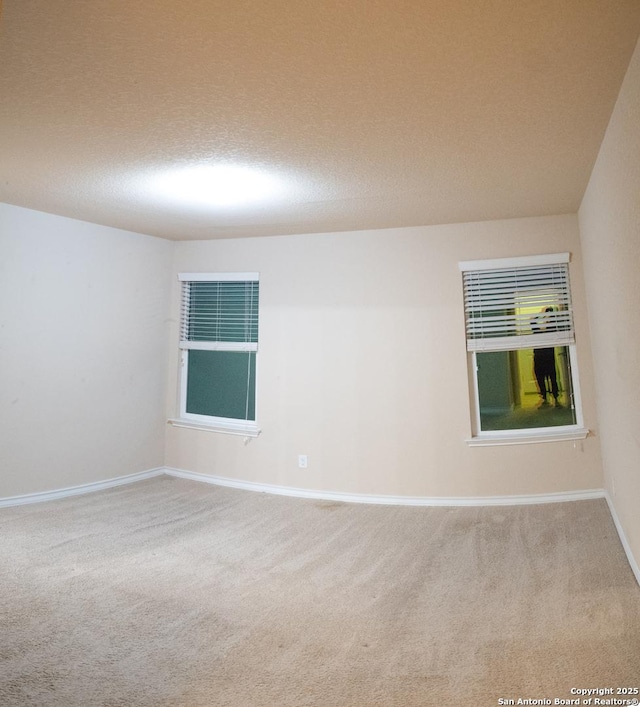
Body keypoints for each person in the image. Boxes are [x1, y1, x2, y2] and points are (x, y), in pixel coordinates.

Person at [531, 307, 561, 407]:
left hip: (547, 356)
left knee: (552, 378)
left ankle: (555, 397)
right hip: (540, 356)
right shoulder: (537, 331)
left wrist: (547, 314)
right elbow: (533, 321)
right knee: (541, 377)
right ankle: (545, 397)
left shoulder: (550, 328)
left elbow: (553, 321)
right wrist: (542, 314)